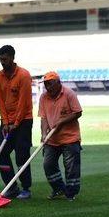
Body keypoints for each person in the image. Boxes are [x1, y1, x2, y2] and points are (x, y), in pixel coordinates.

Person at [0, 44, 34, 199]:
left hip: (23, 121)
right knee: (1, 154)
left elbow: (23, 103)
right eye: (0, 59)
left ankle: (26, 188)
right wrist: (5, 122)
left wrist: (15, 124)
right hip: (7, 122)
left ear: (12, 57)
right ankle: (10, 187)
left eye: (4, 59)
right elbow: (0, 101)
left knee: (21, 156)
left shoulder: (23, 75)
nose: (2, 62)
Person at [39, 71, 83, 201]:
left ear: (58, 82)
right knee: (48, 164)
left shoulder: (69, 94)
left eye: (50, 83)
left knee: (71, 167)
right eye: (46, 84)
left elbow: (78, 112)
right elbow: (43, 117)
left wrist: (62, 121)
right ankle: (58, 189)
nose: (48, 87)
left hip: (70, 138)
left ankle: (71, 193)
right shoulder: (43, 97)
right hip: (52, 139)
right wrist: (43, 134)